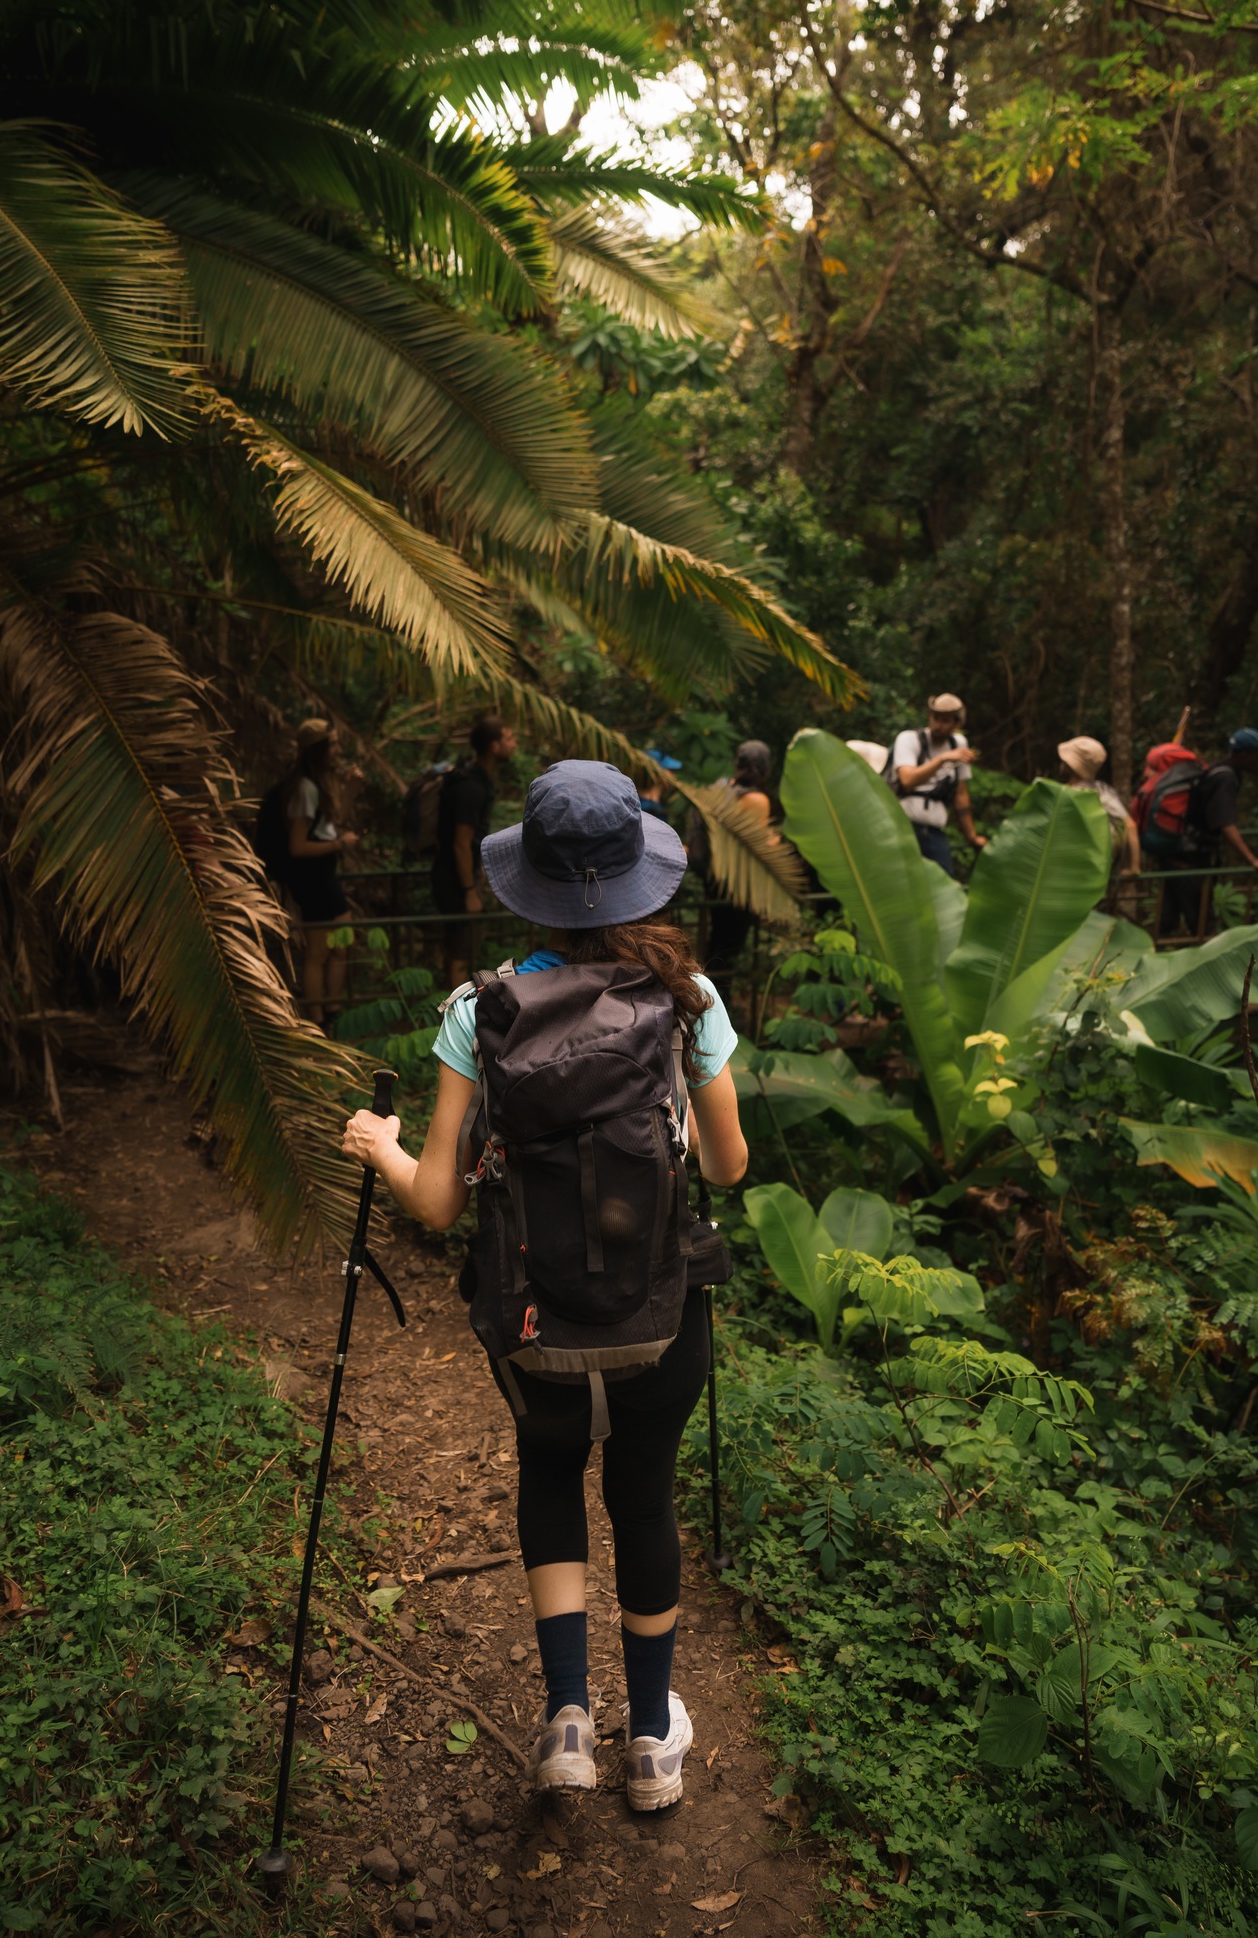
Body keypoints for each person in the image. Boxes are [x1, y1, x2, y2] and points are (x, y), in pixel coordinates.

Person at [342, 761, 748, 1812]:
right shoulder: (685, 1002)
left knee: (549, 1470)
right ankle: (652, 1739)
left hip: (530, 1315)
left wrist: (377, 1143)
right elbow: (726, 1165)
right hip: (662, 1318)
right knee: (644, 1493)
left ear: (529, 879)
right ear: (637, 877)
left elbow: (434, 1200)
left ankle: (567, 1719)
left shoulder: (479, 1009)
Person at [278, 717, 361, 1027]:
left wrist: (350, 791)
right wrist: (339, 845)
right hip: (313, 879)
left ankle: (330, 1012)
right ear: (318, 750)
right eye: (333, 744)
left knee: (339, 946)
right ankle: (318, 1019)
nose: (338, 750)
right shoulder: (304, 788)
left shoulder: (315, 785)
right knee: (318, 952)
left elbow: (328, 823)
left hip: (322, 876)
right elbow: (298, 846)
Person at [1160, 726, 1258, 937]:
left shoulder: (1218, 769)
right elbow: (1226, 824)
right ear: (1243, 755)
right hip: (1190, 860)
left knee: (1169, 920)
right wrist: (1253, 860)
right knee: (1203, 924)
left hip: (1180, 855)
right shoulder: (1225, 778)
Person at [430, 714, 516, 981]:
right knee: (460, 948)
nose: (514, 743)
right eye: (509, 738)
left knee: (462, 945)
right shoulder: (471, 787)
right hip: (454, 878)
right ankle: (455, 1015)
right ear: (493, 745)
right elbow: (461, 842)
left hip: (458, 873)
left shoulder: (478, 780)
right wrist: (469, 891)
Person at [888, 693, 987, 874]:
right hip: (904, 828)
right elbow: (907, 780)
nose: (938, 725)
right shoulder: (909, 739)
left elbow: (961, 793)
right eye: (935, 718)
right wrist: (942, 759)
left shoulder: (958, 744)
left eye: (945, 721)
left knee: (944, 887)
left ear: (956, 724)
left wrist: (971, 836)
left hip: (934, 832)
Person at [704, 740, 776, 977]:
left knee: (717, 940)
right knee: (730, 946)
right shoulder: (756, 800)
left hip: (714, 877)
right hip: (739, 883)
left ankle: (705, 1000)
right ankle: (723, 1003)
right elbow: (758, 846)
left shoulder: (720, 788)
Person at [1057, 736, 1140, 875]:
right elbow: (1130, 825)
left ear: (1071, 764)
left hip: (1075, 866)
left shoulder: (1067, 793)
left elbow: (1130, 825)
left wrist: (1135, 867)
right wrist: (1135, 867)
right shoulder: (1102, 790)